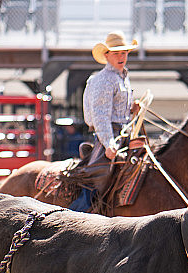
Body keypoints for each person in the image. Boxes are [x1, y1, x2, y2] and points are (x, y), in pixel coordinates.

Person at [70, 31, 140, 213]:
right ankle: (80, 212)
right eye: (116, 53)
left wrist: (131, 108)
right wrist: (108, 143)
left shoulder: (123, 78)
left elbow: (116, 107)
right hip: (109, 135)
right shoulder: (104, 80)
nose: (121, 57)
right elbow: (100, 115)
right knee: (99, 175)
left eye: (123, 53)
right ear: (107, 55)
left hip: (124, 134)